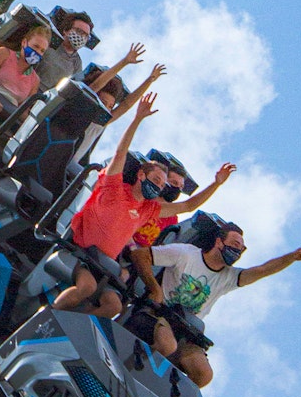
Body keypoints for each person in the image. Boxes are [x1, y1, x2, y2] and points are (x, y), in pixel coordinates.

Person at [52, 93, 236, 317]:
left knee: (114, 307)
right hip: (80, 251)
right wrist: (137, 118)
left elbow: (188, 206)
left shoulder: (148, 209)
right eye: (156, 180)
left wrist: (215, 184)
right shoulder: (114, 187)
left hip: (104, 266)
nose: (159, 187)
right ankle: (48, 318)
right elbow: (120, 153)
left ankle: (70, 325)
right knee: (87, 287)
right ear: (141, 175)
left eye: (162, 185)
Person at [129, 225, 301, 387]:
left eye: (241, 249)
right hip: (156, 315)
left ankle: (157, 395)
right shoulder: (186, 253)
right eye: (235, 244)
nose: (238, 251)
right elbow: (140, 255)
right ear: (219, 242)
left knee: (204, 374)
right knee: (167, 344)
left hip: (185, 332)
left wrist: (292, 257)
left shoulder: (229, 277)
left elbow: (263, 270)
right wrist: (155, 289)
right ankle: (127, 372)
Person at [0, 24, 51, 120]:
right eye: (36, 46)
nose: (37, 52)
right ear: (24, 42)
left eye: (42, 50)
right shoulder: (4, 53)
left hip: (7, 114)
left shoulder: (35, 80)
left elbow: (23, 109)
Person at [130, 162, 187, 247]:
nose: (177, 189)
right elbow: (126, 220)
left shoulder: (172, 218)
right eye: (174, 183)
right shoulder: (142, 197)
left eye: (181, 187)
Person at [35, 11, 92, 91]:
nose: (82, 37)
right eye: (79, 31)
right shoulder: (49, 42)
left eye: (86, 35)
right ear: (66, 30)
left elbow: (75, 86)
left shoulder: (77, 62)